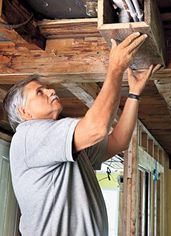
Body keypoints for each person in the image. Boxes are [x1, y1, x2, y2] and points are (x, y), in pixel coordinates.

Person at [3, 32, 160, 236]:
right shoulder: (27, 136)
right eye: (39, 92)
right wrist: (115, 69)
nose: (50, 91)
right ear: (24, 112)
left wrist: (133, 94)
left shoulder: (64, 143)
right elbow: (97, 127)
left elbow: (117, 141)